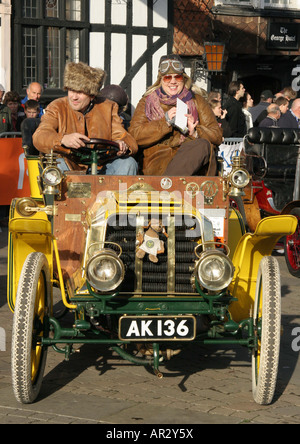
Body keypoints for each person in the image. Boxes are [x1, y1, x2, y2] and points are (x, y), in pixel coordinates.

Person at [33, 62, 138, 175]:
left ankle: (115, 192)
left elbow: (127, 139)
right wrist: (63, 139)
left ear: (92, 95)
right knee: (57, 164)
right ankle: (66, 193)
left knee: (128, 163)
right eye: (71, 90)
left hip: (102, 167)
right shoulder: (57, 107)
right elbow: (40, 136)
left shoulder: (108, 108)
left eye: (80, 92)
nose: (74, 97)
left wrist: (122, 144)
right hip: (69, 166)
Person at [128, 54, 222, 176]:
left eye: (177, 77)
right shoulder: (147, 101)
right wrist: (165, 122)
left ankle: (169, 185)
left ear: (183, 78)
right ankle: (169, 185)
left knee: (203, 145)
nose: (173, 81)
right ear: (161, 79)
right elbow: (134, 135)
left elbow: (217, 135)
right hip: (156, 165)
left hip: (191, 163)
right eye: (167, 78)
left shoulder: (197, 100)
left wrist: (195, 131)